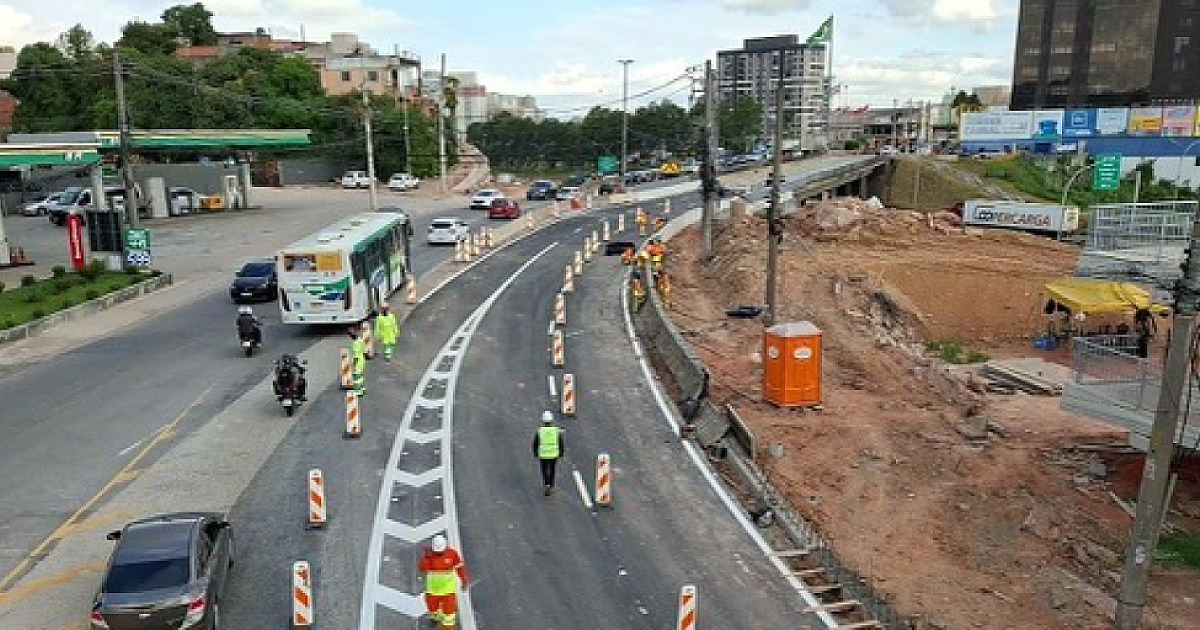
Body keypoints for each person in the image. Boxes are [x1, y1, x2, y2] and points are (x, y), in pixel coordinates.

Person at [418, 534, 469, 629]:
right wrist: (426, 558)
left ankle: (448, 627)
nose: (439, 553)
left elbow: (460, 568)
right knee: (432, 608)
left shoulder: (452, 554)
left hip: (448, 591)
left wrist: (464, 581)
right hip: (433, 590)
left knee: (449, 613)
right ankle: (434, 619)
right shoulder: (429, 556)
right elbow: (422, 568)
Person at [532, 411, 564, 496]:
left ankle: (546, 484)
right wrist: (561, 452)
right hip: (553, 454)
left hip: (543, 454)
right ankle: (551, 484)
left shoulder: (540, 431)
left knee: (544, 469)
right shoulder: (556, 431)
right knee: (552, 469)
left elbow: (535, 443)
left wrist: (535, 452)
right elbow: (560, 442)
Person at [349, 327, 367, 396]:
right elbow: (364, 350)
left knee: (356, 377)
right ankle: (362, 388)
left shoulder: (355, 344)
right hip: (362, 360)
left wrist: (353, 365)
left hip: (358, 362)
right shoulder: (360, 340)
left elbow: (356, 356)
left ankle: (358, 391)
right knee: (360, 376)